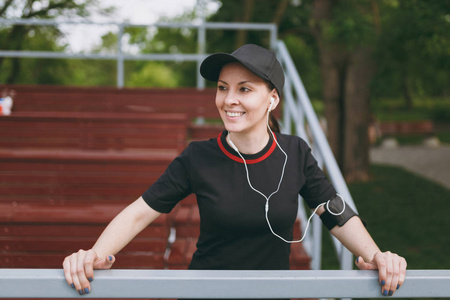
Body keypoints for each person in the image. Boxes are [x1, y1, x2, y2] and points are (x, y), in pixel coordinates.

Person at [62, 44, 407, 297]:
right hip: (206, 293)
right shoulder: (198, 157)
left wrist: (377, 256)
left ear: (272, 99)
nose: (229, 100)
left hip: (270, 295)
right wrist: (94, 254)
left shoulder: (295, 152)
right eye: (223, 88)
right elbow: (140, 212)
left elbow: (336, 213)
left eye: (245, 89)